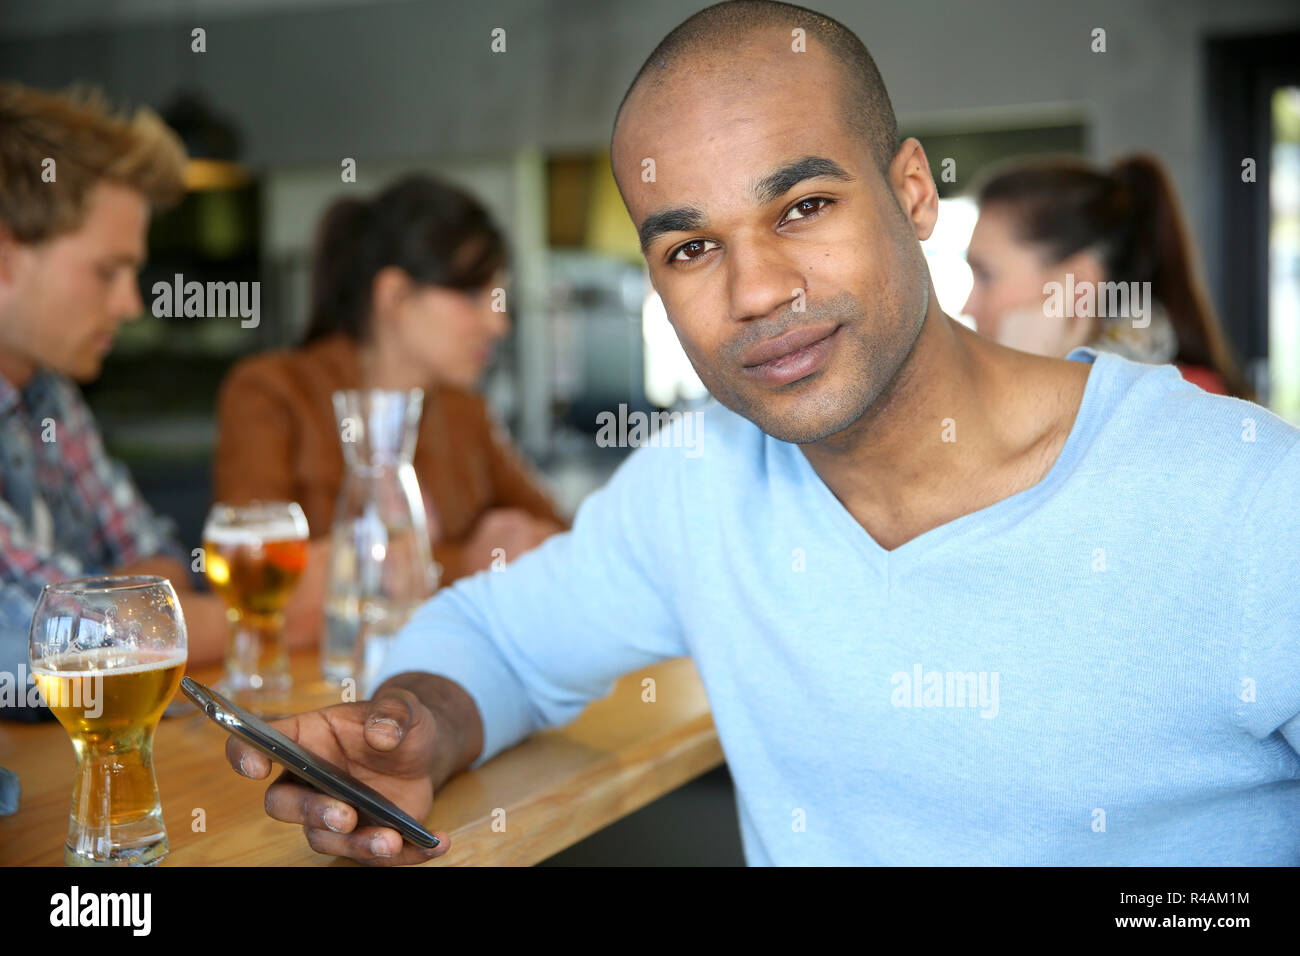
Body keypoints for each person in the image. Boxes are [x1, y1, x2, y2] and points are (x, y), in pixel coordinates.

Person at [226, 0, 1299, 865]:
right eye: (690, 248)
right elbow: (500, 640)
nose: (755, 289)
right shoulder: (699, 482)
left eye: (802, 208)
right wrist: (418, 726)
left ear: (912, 191)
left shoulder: (1245, 499)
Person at [212, 175, 566, 643]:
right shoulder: (272, 391)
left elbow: (562, 537)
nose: (498, 324)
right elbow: (261, 582)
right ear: (395, 296)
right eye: (472, 296)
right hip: (315, 692)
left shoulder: (466, 411)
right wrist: (470, 563)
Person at [0, 83, 234, 721]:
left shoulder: (47, 390)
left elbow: (154, 559)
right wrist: (259, 622)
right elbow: (30, 651)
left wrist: (124, 617)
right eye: (109, 271)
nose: (133, 305)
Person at [963, 153, 1253, 398]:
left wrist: (1028, 381)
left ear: (1078, 288)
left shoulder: (1189, 401)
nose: (968, 308)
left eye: (986, 275)